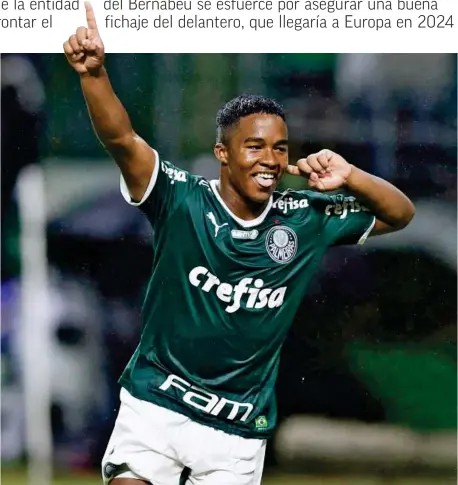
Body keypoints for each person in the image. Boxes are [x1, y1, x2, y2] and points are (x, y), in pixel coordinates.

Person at [63, 4, 415, 484]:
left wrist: (351, 176)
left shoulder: (304, 218)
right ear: (223, 154)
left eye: (280, 147)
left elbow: (400, 214)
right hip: (156, 405)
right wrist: (94, 76)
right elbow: (123, 139)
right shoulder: (182, 200)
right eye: (254, 146)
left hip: (236, 432)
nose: (270, 159)